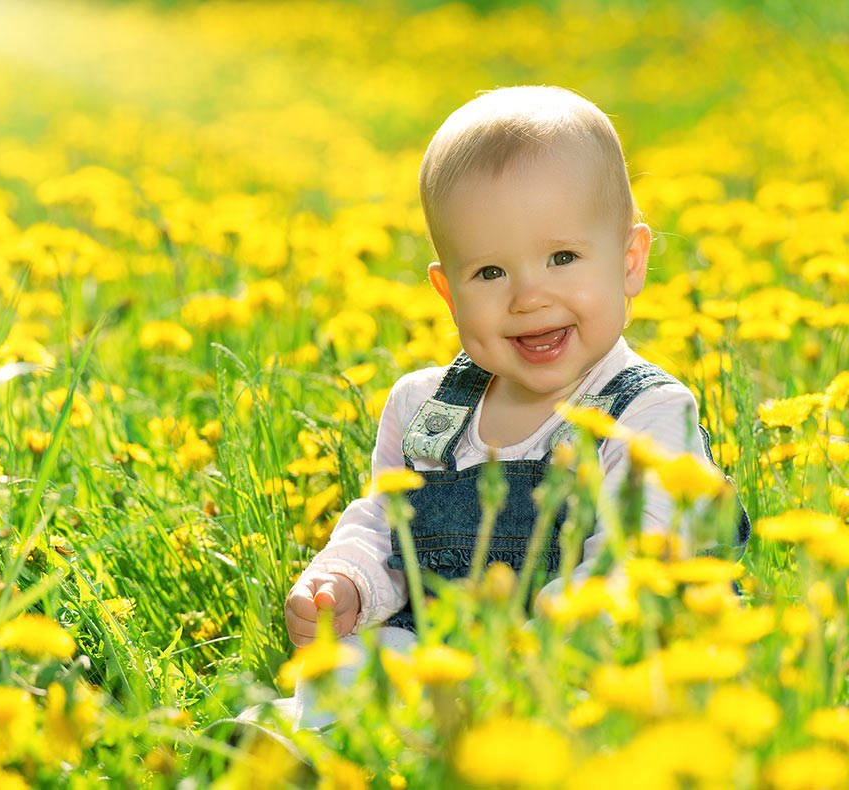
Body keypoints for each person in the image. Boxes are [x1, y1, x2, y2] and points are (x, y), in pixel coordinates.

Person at [281, 85, 750, 728]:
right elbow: (385, 530)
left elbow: (630, 568)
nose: (529, 296)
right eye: (490, 273)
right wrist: (345, 582)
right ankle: (312, 740)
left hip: (586, 667)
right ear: (448, 293)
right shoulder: (426, 411)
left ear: (629, 262)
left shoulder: (650, 413)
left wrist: (522, 665)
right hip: (454, 659)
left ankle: (405, 734)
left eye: (562, 257)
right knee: (353, 656)